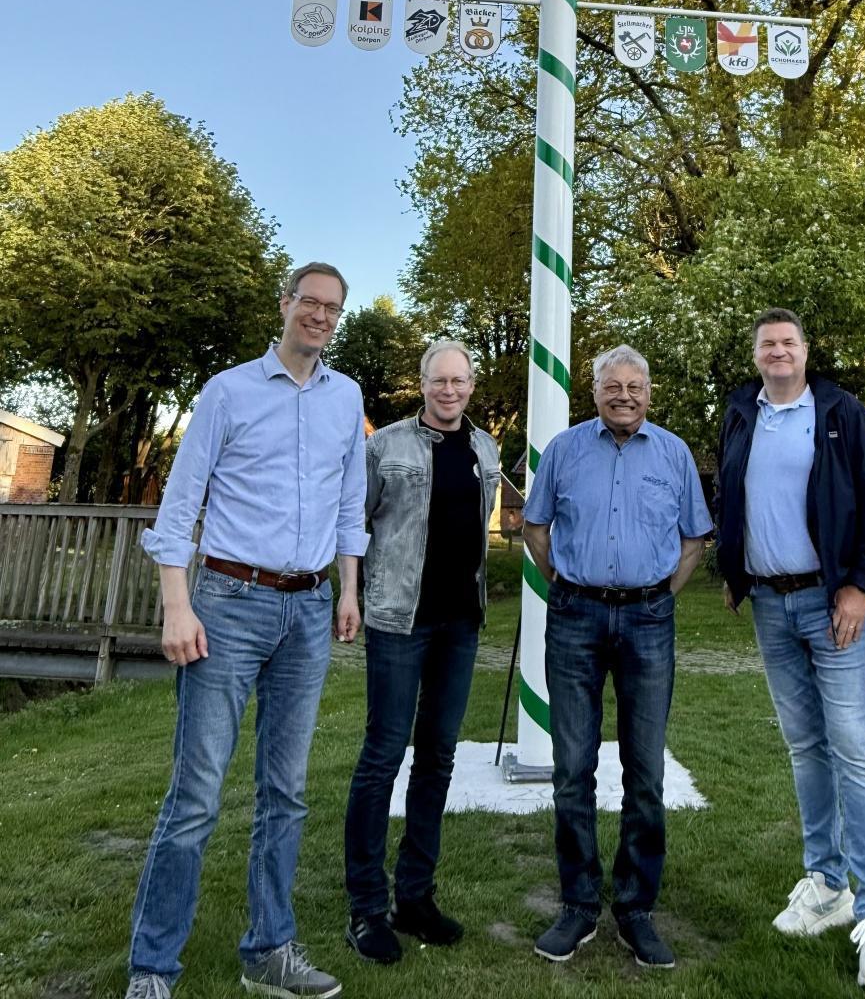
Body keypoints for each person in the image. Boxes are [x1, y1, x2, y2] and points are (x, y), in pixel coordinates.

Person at [125, 263, 368, 999]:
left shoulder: (347, 398)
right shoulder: (228, 391)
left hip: (308, 612)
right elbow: (179, 506)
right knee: (196, 793)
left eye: (332, 309)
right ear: (285, 305)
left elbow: (350, 506)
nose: (319, 317)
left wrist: (347, 590)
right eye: (310, 303)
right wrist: (177, 604)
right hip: (227, 604)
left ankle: (269, 951)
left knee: (285, 791)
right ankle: (153, 968)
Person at [714, 309, 865, 991]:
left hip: (834, 605)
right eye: (766, 343)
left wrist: (861, 586)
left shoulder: (840, 411)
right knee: (805, 747)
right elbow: (729, 495)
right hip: (770, 602)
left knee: (854, 746)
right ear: (757, 354)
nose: (778, 351)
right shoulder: (741, 414)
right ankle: (826, 882)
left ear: (805, 349)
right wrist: (735, 574)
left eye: (788, 341)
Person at [523, 345, 712, 970]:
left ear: (649, 392)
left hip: (648, 620)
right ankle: (578, 903)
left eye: (634, 385)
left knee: (646, 769)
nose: (624, 395)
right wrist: (568, 587)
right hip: (574, 618)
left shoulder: (674, 454)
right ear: (595, 391)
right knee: (571, 767)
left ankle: (636, 909)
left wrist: (660, 596)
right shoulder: (564, 451)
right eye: (612, 385)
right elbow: (535, 528)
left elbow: (694, 539)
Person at [343, 340, 500, 964]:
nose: (449, 390)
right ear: (423, 383)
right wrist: (348, 593)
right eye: (439, 380)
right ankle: (366, 905)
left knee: (437, 758)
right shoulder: (386, 448)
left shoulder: (486, 449)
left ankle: (415, 896)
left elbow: (477, 528)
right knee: (383, 755)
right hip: (396, 620)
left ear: (470, 385)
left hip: (459, 626)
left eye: (459, 381)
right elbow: (354, 522)